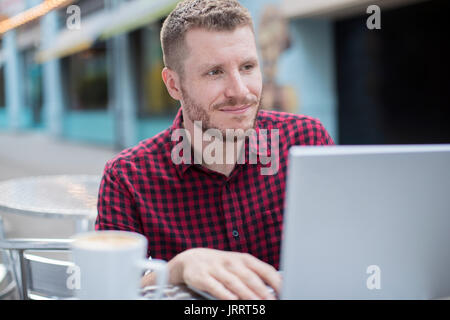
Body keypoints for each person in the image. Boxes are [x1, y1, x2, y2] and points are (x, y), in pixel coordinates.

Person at [96, 0, 334, 300]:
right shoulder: (127, 178)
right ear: (174, 85)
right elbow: (106, 291)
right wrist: (176, 270)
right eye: (214, 72)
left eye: (247, 67)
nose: (240, 91)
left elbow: (348, 255)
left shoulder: (305, 140)